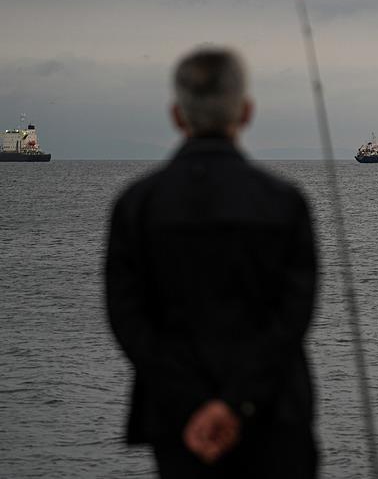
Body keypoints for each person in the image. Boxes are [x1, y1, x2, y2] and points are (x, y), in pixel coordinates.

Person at [105, 47, 318, 477]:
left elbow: (127, 319)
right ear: (246, 111)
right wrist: (237, 403)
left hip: (182, 428)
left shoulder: (136, 206)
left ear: (177, 116)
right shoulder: (285, 204)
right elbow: (293, 318)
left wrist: (194, 405)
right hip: (274, 419)